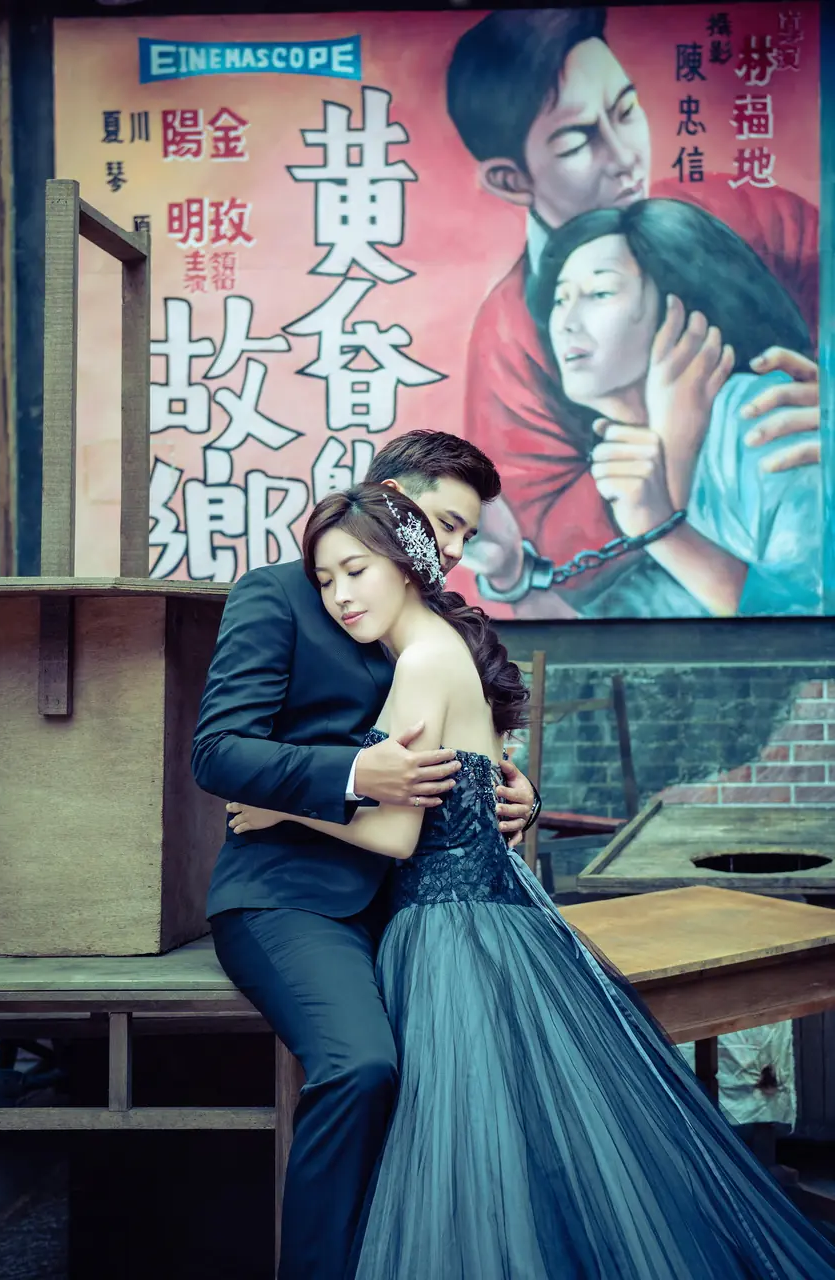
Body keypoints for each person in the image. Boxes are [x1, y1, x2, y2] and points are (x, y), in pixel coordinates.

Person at [227, 483, 835, 1279]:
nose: (340, 595)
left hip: (445, 922)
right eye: (327, 579)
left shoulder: (422, 663)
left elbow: (397, 833)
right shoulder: (440, 649)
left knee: (466, 1140)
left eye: (355, 572)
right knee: (524, 1137)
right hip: (493, 914)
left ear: (404, 565)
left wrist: (283, 809)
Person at [191, 430, 539, 1280]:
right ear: (392, 500)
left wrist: (516, 795)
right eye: (446, 524)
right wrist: (348, 775)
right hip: (294, 897)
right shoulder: (279, 596)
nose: (454, 551)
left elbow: (467, 741)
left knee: (475, 1082)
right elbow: (219, 750)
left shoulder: (440, 625)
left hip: (426, 906)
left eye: (465, 536)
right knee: (361, 1067)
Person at [446, 9, 821, 603]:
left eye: (625, 111)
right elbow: (566, 561)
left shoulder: (750, 213)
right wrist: (665, 444)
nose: (625, 157)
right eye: (577, 141)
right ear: (511, 180)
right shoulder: (509, 341)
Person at [515, 198, 822, 618]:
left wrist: (661, 526)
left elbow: (808, 615)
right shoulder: (630, 452)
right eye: (560, 299)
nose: (567, 321)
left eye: (600, 293)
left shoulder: (766, 415)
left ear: (678, 308)